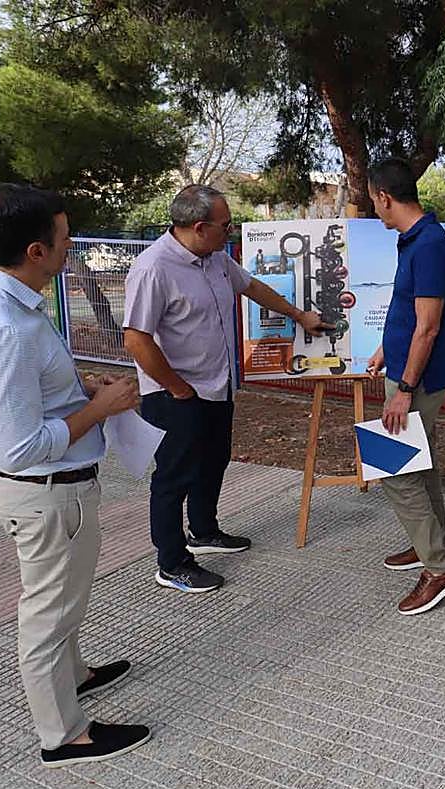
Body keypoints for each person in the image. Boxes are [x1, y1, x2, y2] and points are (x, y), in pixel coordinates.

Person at [0, 184, 150, 767]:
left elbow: (27, 393)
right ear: (37, 250)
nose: (72, 249)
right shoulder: (2, 328)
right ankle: (63, 735)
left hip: (55, 494)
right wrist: (100, 410)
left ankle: (76, 674)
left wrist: (77, 390)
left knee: (64, 599)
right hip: (44, 493)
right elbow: (20, 446)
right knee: (46, 614)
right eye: (65, 240)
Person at [123, 185, 328, 593]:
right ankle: (172, 562)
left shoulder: (215, 258)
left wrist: (298, 315)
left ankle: (203, 530)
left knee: (215, 459)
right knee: (174, 477)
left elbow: (251, 287)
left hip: (218, 387)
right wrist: (178, 389)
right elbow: (136, 339)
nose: (230, 233)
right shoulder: (154, 268)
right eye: (225, 226)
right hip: (175, 394)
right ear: (199, 227)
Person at [363, 158, 445, 615]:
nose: (375, 209)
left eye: (373, 201)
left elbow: (428, 327)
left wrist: (403, 387)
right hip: (407, 370)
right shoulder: (416, 240)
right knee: (420, 468)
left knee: (393, 469)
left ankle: (440, 567)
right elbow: (407, 309)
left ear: (384, 196)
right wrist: (387, 348)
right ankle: (427, 547)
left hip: (415, 383)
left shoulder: (428, 247)